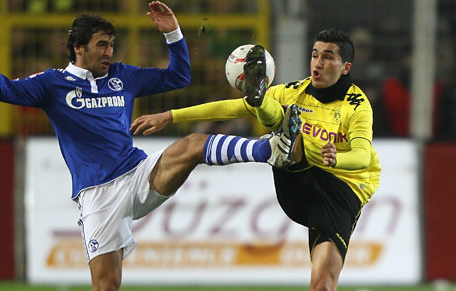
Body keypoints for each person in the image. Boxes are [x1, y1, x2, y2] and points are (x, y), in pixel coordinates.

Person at [0, 1, 292, 291]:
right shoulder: (51, 84)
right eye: (102, 45)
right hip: (97, 194)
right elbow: (4, 91)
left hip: (137, 173)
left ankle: (269, 150)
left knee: (193, 145)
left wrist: (173, 35)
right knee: (106, 286)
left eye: (111, 44)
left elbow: (178, 77)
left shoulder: (122, 76)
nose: (109, 52)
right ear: (78, 47)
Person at [131, 29, 381, 291]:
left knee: (323, 285)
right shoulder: (295, 91)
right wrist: (170, 115)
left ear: (345, 68)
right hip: (299, 178)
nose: (318, 63)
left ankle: (270, 125)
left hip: (340, 190)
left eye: (328, 57)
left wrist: (336, 159)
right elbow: (231, 108)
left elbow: (362, 156)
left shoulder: (357, 106)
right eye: (315, 55)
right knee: (284, 121)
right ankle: (262, 106)